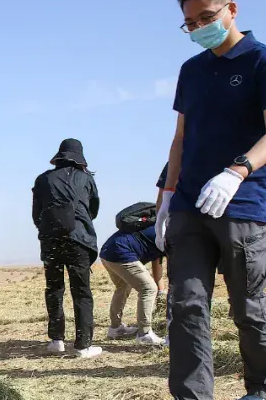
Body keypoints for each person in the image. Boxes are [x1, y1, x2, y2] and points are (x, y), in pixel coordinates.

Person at [153, 0, 266, 400]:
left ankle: (264, 389)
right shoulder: (191, 71)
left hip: (244, 204)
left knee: (247, 306)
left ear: (232, 9)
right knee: (185, 303)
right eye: (189, 23)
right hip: (192, 204)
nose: (198, 28)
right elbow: (181, 138)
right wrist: (168, 197)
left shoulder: (265, 62)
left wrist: (238, 170)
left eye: (206, 18)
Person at [32, 138, 102, 359]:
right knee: (81, 291)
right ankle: (83, 345)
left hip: (51, 239)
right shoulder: (86, 178)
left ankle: (56, 340)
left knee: (54, 289)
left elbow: (36, 213)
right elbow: (94, 209)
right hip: (79, 241)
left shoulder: (43, 179)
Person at [99, 225, 166, 345]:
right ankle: (144, 334)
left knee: (122, 286)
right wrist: (162, 293)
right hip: (122, 252)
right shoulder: (171, 233)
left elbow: (157, 265)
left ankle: (115, 328)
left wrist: (161, 294)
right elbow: (162, 269)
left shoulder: (160, 225)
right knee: (149, 288)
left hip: (107, 251)